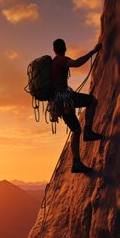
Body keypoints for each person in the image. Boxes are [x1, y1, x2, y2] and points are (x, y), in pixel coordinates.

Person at [51, 38, 102, 173]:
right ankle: (89, 131)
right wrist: (93, 52)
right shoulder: (61, 60)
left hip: (58, 104)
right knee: (92, 101)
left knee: (75, 130)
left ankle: (76, 163)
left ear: (54, 50)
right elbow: (77, 63)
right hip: (66, 99)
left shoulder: (52, 63)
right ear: (65, 48)